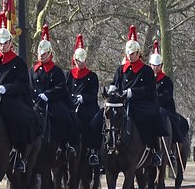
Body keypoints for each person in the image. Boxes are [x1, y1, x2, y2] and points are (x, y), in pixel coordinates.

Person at [0, 17, 40, 173]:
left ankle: (20, 153)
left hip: (13, 99)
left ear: (10, 43)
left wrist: (6, 89)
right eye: (0, 43)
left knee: (18, 119)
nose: (3, 46)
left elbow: (22, 84)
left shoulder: (18, 62)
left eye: (5, 43)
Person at [110, 25, 167, 166]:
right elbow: (115, 83)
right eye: (128, 54)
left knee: (152, 117)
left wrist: (132, 92)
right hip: (121, 104)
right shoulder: (120, 70)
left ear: (138, 53)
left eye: (133, 53)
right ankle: (99, 151)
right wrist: (113, 90)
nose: (130, 56)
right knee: (103, 119)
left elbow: (149, 90)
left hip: (140, 104)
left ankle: (155, 151)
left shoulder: (146, 71)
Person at [31, 25, 79, 159]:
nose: (41, 56)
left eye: (44, 54)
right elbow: (29, 86)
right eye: (39, 54)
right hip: (36, 102)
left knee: (63, 116)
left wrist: (48, 94)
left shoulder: (56, 71)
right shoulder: (33, 70)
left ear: (50, 53)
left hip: (52, 101)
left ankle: (66, 145)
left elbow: (61, 87)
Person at [65, 34, 101, 165]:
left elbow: (93, 93)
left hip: (87, 107)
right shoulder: (68, 75)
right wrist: (71, 99)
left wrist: (83, 98)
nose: (81, 63)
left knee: (92, 123)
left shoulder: (92, 76)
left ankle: (93, 151)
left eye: (83, 60)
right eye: (78, 60)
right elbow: (64, 90)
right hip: (71, 105)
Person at [149, 40, 189, 154]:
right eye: (153, 66)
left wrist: (156, 99)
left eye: (157, 66)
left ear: (161, 66)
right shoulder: (147, 79)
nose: (155, 68)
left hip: (165, 109)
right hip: (150, 108)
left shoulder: (166, 80)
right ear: (150, 65)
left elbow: (167, 96)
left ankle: (172, 148)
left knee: (173, 123)